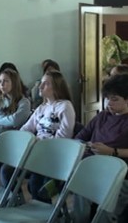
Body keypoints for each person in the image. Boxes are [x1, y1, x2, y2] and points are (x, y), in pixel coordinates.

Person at [11, 70, 75, 203]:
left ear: (56, 87)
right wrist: (18, 140)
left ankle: (44, 211)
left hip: (54, 153)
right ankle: (16, 201)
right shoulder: (41, 108)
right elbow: (27, 128)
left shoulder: (65, 106)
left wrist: (39, 146)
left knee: (36, 183)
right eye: (41, 83)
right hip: (38, 151)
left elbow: (63, 137)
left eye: (45, 84)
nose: (40, 86)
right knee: (7, 169)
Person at [74, 74, 128, 223]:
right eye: (107, 98)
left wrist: (112, 151)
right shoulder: (102, 116)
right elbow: (80, 137)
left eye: (114, 99)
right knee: (80, 183)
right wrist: (84, 145)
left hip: (119, 172)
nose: (109, 103)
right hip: (92, 166)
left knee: (106, 206)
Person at [0, 68, 31, 137]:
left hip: (11, 138)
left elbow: (15, 120)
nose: (2, 84)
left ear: (14, 83)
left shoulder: (24, 102)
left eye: (6, 81)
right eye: (0, 81)